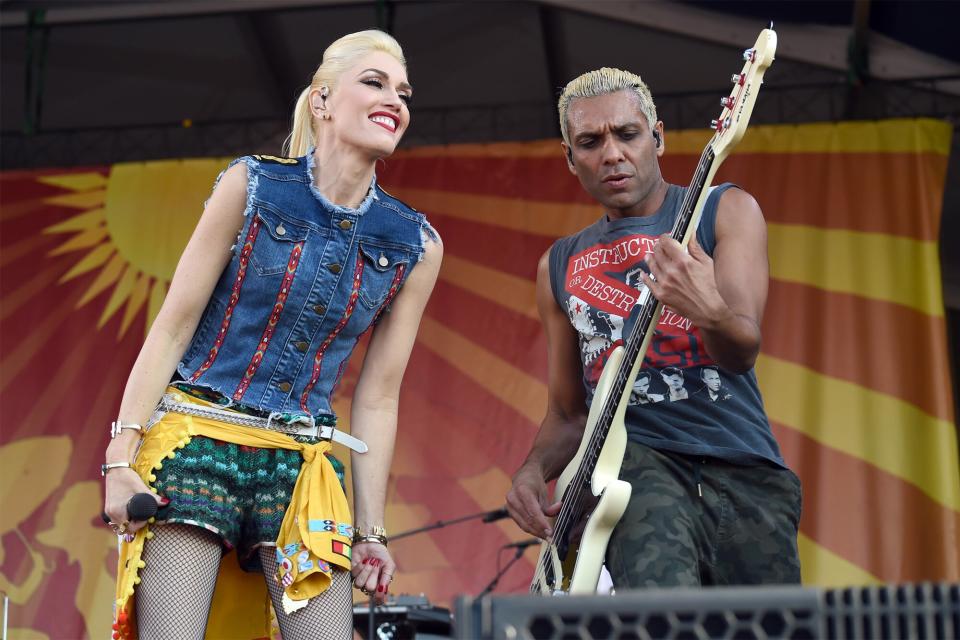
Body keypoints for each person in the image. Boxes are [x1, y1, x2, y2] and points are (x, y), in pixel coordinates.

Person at [101, 30, 442, 640]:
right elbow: (173, 326)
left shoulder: (414, 243)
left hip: (301, 465)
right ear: (322, 100)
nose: (395, 99)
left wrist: (370, 533)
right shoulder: (252, 185)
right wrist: (120, 458)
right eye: (374, 82)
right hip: (197, 441)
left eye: (404, 92)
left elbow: (379, 395)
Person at [506, 68, 801, 588]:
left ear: (658, 137)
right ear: (570, 159)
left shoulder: (725, 210)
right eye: (590, 142)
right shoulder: (559, 263)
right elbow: (570, 413)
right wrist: (533, 469)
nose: (612, 154)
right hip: (634, 471)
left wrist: (706, 308)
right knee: (662, 619)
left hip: (741, 469)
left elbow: (741, 350)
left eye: (628, 134)